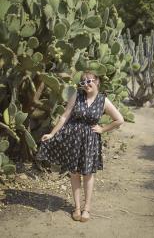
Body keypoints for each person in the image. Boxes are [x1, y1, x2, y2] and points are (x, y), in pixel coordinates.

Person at [36, 71, 124, 222]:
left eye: (89, 81)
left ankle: (87, 209)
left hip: (90, 141)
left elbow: (119, 120)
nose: (86, 85)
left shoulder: (103, 101)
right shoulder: (77, 95)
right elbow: (65, 116)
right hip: (73, 139)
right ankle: (77, 207)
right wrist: (51, 134)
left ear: (97, 82)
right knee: (75, 173)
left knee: (88, 174)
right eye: (83, 82)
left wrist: (103, 129)